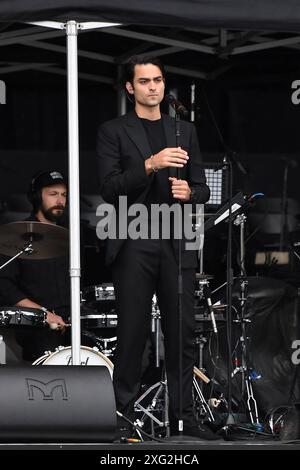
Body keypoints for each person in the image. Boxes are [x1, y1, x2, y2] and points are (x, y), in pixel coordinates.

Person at [97, 55, 218, 440]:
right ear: (130, 88)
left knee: (181, 332)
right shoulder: (113, 131)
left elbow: (202, 186)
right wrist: (150, 163)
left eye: (159, 80)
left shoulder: (184, 130)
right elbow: (110, 187)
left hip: (176, 237)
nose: (154, 87)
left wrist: (190, 192)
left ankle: (185, 418)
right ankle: (121, 418)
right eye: (145, 81)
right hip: (134, 237)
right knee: (132, 332)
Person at [0, 170, 69, 361]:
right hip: (35, 324)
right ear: (37, 197)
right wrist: (43, 314)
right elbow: (5, 287)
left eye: (63, 194)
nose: (60, 200)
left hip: (71, 320)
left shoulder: (72, 234)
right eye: (53, 194)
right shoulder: (17, 236)